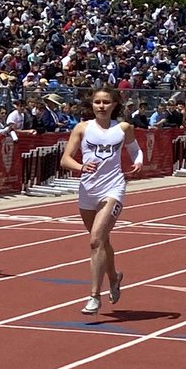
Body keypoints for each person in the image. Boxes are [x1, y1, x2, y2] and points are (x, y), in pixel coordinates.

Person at [60, 87, 145, 314]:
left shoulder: (123, 128)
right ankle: (114, 277)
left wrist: (138, 162)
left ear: (114, 104)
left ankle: (94, 296)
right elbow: (65, 159)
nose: (101, 106)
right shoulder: (82, 128)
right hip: (88, 191)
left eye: (106, 102)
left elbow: (136, 150)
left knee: (95, 240)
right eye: (97, 102)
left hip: (113, 188)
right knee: (102, 242)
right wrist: (81, 167)